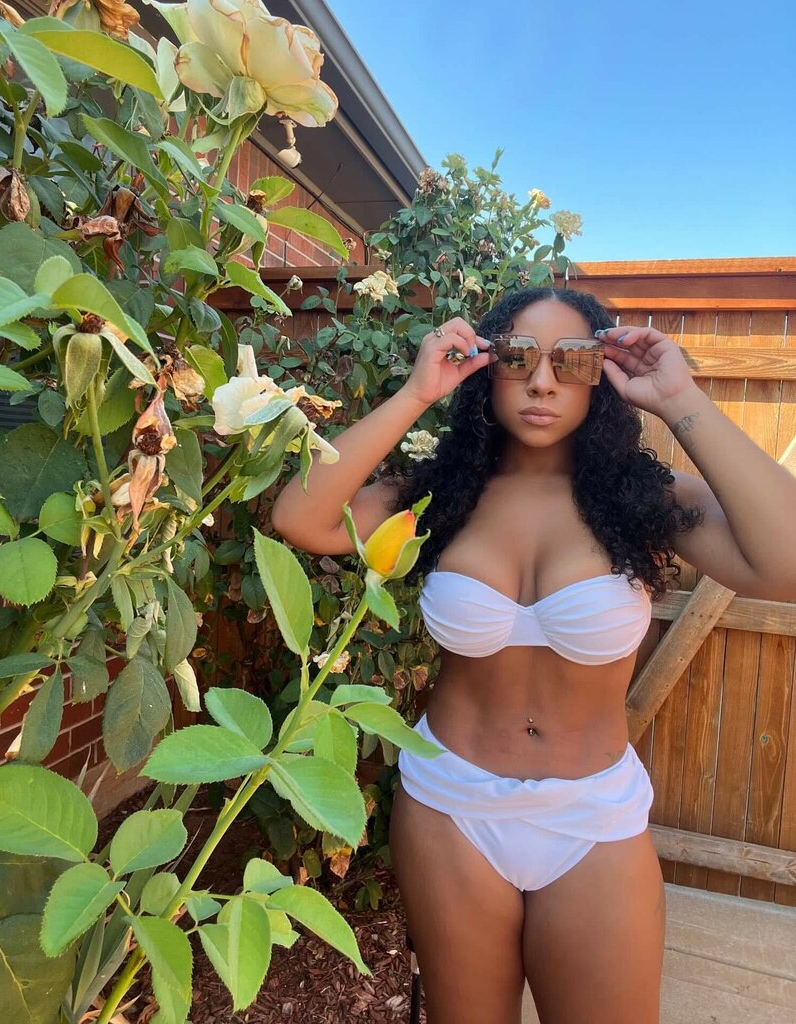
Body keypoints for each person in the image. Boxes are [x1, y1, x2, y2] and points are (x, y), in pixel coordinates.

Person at [271, 287, 796, 1024]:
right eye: (518, 357)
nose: (542, 381)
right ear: (486, 366)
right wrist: (417, 393)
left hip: (592, 817)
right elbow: (300, 517)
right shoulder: (440, 497)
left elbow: (786, 563)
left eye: (571, 360)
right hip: (449, 808)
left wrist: (680, 398)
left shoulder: (645, 501)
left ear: (601, 376)